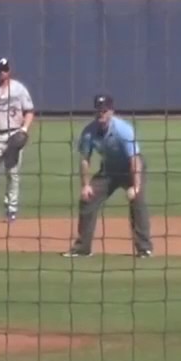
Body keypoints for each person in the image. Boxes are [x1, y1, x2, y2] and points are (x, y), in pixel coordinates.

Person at [64, 94, 154, 258]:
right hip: (109, 170)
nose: (101, 114)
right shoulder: (89, 132)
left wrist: (136, 186)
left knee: (137, 201)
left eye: (104, 111)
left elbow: (134, 159)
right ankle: (83, 248)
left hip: (131, 168)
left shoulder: (123, 130)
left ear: (111, 111)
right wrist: (86, 186)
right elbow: (85, 159)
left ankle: (144, 248)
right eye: (98, 110)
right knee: (88, 199)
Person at [0, 57, 36, 223]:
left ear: (9, 70)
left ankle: (11, 209)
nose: (2, 72)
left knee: (12, 174)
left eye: (5, 69)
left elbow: (30, 111)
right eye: (0, 70)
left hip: (14, 135)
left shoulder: (19, 89)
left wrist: (24, 130)